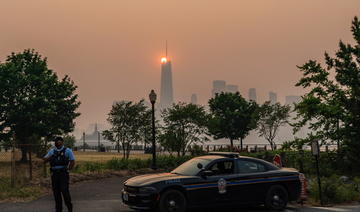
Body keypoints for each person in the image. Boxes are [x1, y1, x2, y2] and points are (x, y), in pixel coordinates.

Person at [43, 137, 75, 212]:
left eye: (60, 142)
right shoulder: (52, 151)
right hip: (54, 174)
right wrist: (51, 157)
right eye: (57, 142)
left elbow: (72, 161)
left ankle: (69, 207)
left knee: (64, 190)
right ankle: (58, 209)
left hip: (63, 174)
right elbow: (44, 160)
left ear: (62, 142)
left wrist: (68, 169)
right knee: (56, 192)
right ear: (55, 143)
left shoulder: (67, 150)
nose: (58, 143)